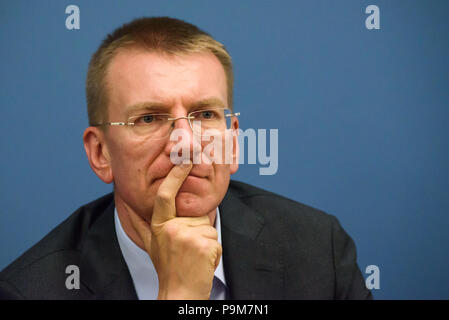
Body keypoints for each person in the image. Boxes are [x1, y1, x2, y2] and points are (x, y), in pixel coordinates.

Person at [0, 16, 372, 300]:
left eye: (206, 115)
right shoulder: (29, 291)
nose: (185, 145)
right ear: (101, 153)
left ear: (233, 143)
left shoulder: (319, 252)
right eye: (149, 118)